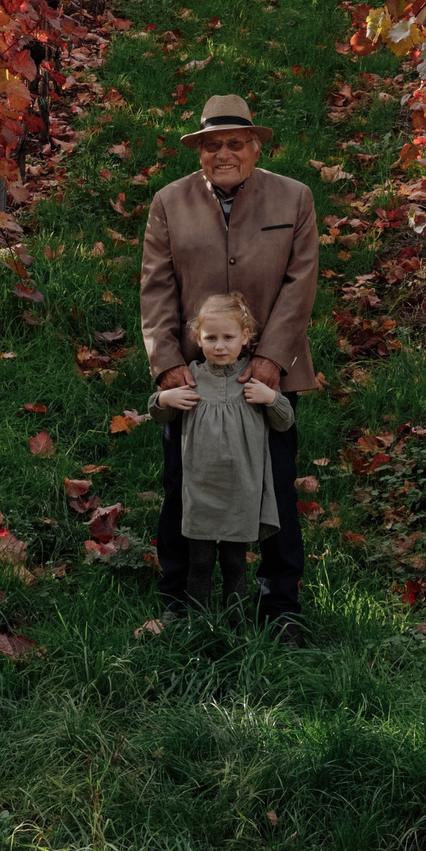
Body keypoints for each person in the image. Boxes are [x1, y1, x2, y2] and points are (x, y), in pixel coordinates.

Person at [140, 94, 321, 640]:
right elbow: (157, 289)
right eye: (212, 144)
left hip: (268, 378)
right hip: (194, 382)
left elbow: (300, 283)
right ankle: (180, 600)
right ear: (198, 151)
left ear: (255, 146)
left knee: (275, 487)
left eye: (235, 143)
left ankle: (278, 602)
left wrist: (270, 360)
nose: (224, 153)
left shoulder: (294, 198)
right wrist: (168, 365)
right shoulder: (169, 203)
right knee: (181, 484)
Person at [154, 292, 297, 612]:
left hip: (240, 490)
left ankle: (233, 623)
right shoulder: (192, 377)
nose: (220, 345)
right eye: (211, 337)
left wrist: (270, 397)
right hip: (201, 489)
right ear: (198, 338)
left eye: (228, 337)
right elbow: (160, 413)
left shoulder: (253, 380)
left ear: (245, 338)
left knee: (235, 563)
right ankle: (198, 622)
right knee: (200, 562)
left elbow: (286, 421)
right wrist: (164, 400)